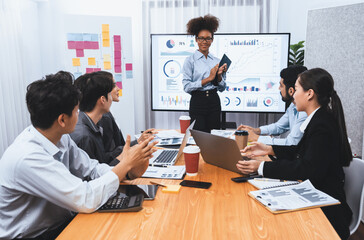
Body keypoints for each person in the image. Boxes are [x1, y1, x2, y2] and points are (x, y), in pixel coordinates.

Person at [0, 71, 156, 239]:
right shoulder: (28, 157)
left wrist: (127, 168)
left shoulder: (60, 137)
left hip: (62, 222)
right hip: (34, 235)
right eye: (76, 111)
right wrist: (125, 165)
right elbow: (85, 198)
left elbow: (92, 169)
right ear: (62, 120)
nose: (80, 116)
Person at [237, 68, 352, 239]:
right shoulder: (319, 118)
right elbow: (302, 152)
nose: (293, 94)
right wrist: (269, 149)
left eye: (297, 89)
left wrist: (261, 167)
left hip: (326, 211)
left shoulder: (321, 125)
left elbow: (307, 168)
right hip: (316, 194)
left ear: (309, 94)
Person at [70, 72, 153, 165]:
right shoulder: (84, 136)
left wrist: (132, 150)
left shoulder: (93, 125)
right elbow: (95, 176)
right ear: (103, 100)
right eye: (109, 94)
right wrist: (128, 159)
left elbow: (103, 159)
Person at [238, 65, 308, 145]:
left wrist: (256, 138)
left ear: (291, 91)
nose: (279, 88)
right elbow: (279, 127)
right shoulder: (293, 106)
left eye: (281, 85)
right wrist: (256, 131)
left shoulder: (304, 112)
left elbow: (291, 143)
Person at [95, 71, 155, 161]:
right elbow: (109, 156)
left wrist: (137, 142)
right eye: (114, 86)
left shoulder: (108, 114)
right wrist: (136, 144)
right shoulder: (104, 118)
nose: (118, 89)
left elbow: (118, 148)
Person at [182, 14, 227, 133]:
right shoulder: (189, 61)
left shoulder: (217, 61)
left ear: (212, 40)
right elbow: (187, 87)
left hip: (214, 101)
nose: (204, 41)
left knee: (214, 137)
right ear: (196, 39)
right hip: (198, 102)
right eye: (201, 38)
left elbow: (222, 88)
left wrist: (218, 77)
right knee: (198, 136)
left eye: (208, 38)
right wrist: (209, 78)